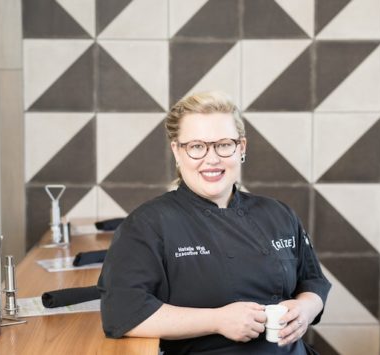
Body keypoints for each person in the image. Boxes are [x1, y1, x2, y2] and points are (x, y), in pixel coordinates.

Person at [98, 91, 331, 354]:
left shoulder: (278, 213)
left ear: (241, 148)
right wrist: (217, 320)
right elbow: (122, 311)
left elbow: (313, 281)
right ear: (177, 150)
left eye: (223, 144)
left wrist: (306, 309)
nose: (212, 159)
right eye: (197, 146)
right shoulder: (147, 224)